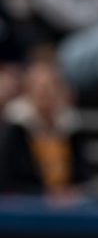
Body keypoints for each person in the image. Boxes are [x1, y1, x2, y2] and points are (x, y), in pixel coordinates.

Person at [0, 58, 87, 198]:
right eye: (39, 87)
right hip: (26, 205)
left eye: (50, 87)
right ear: (28, 90)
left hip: (68, 204)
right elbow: (9, 179)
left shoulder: (71, 125)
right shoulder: (13, 127)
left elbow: (83, 176)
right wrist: (46, 194)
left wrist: (70, 192)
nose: (44, 93)